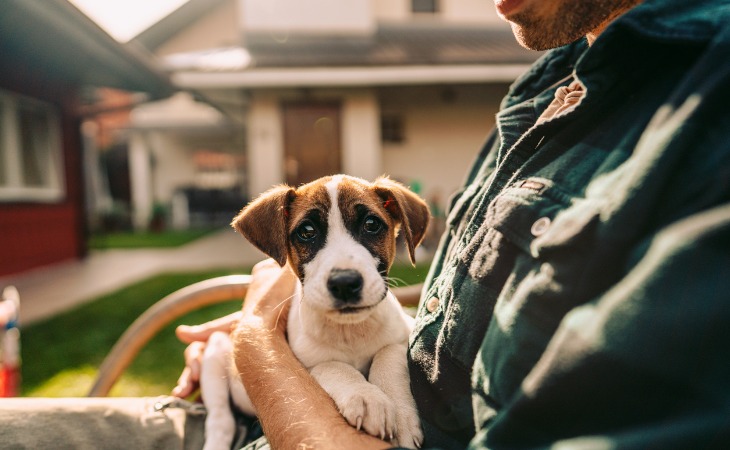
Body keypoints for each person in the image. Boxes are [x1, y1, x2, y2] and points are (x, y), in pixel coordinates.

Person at [2, 0, 728, 448]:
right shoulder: (544, 85)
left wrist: (259, 337)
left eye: (373, 229)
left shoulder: (701, 108)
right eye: (309, 235)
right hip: (274, 407)